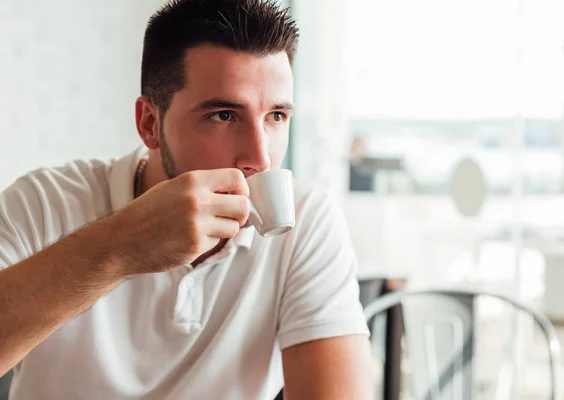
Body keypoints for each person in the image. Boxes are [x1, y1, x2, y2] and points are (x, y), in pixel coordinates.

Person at [0, 1, 372, 399]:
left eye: (276, 116)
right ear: (150, 124)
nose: (260, 158)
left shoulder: (306, 218)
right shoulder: (42, 202)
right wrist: (122, 246)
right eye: (224, 116)